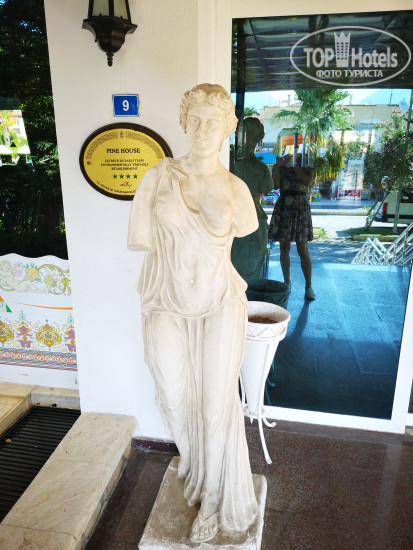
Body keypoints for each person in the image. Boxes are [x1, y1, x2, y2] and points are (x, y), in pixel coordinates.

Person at [128, 84, 259, 543]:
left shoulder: (237, 190)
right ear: (184, 124)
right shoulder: (157, 178)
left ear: (227, 130)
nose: (203, 131)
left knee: (214, 408)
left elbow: (246, 230)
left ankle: (215, 499)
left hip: (220, 301)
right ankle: (195, 466)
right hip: (165, 299)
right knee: (171, 394)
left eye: (213, 123)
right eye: (195, 121)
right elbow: (141, 239)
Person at [268, 153, 316, 300]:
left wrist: (295, 165)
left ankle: (308, 286)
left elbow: (307, 182)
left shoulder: (307, 162)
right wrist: (277, 167)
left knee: (303, 248)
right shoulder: (282, 163)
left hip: (300, 207)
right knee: (284, 247)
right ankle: (287, 281)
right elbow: (275, 185)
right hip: (284, 205)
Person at [231, 117, 273, 280]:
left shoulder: (260, 169)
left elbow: (268, 187)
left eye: (251, 137)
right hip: (233, 221)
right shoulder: (228, 163)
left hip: (252, 221)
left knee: (250, 270)